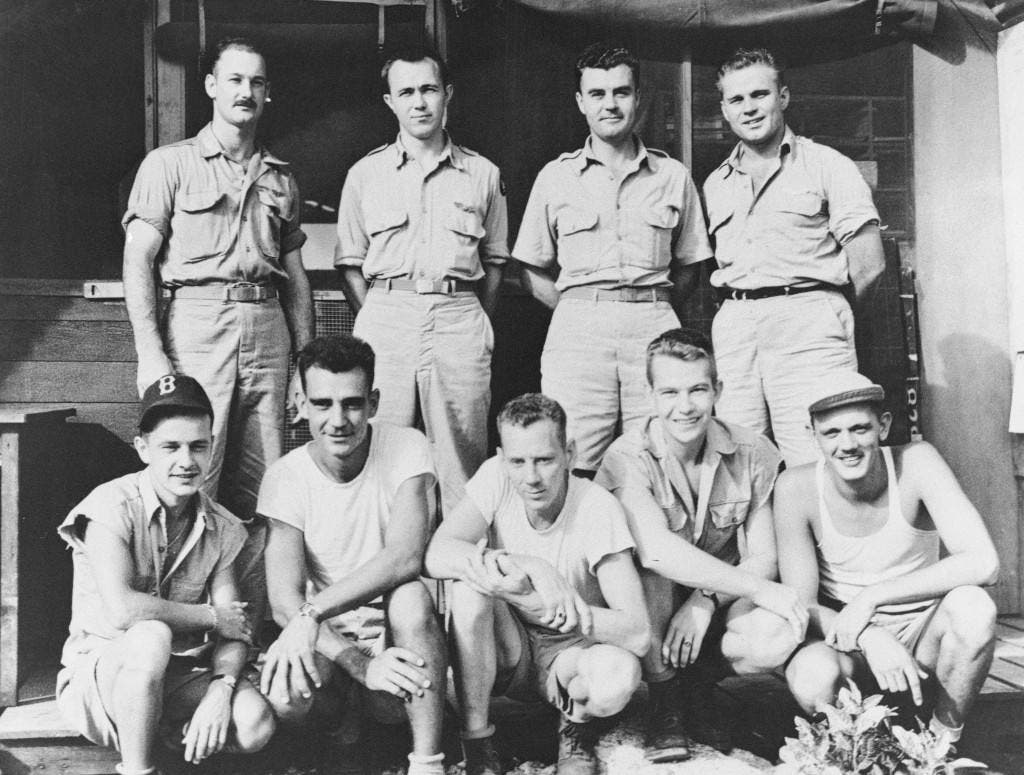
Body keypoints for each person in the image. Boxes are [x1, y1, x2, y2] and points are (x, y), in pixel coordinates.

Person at [122, 37, 315, 627]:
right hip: (197, 323)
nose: (245, 93)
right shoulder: (169, 164)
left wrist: (305, 366)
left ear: (266, 93)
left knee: (270, 485)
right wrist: (151, 353)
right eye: (233, 80)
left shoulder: (281, 178)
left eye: (256, 83)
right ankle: (183, 631)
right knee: (190, 477)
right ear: (211, 86)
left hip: (268, 328)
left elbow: (297, 280)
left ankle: (255, 631)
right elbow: (139, 261)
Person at [595, 328, 808, 761]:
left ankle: (696, 685)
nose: (685, 406)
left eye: (698, 389)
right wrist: (708, 595)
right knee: (651, 574)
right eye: (670, 391)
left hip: (718, 606)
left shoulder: (753, 451)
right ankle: (665, 697)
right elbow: (655, 550)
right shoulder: (627, 456)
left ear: (718, 391)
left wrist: (706, 598)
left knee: (773, 633)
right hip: (650, 612)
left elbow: (764, 555)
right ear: (650, 395)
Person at [55, 375, 275, 775]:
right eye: (170, 447)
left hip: (174, 674)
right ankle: (138, 769)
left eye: (198, 446)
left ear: (212, 448)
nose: (186, 461)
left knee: (254, 722)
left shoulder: (222, 527)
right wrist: (209, 616)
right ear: (143, 448)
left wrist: (221, 689)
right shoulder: (111, 505)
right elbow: (123, 611)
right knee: (151, 634)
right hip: (102, 677)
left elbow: (236, 629)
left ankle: (168, 736)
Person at [512, 42, 712, 477]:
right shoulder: (556, 177)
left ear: (638, 99)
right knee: (573, 454)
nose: (611, 104)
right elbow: (529, 267)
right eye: (598, 94)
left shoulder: (672, 176)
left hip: (653, 321)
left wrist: (658, 308)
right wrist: (574, 306)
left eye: (621, 92)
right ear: (581, 102)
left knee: (662, 451)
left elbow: (692, 263)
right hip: (578, 330)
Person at [425, 393, 649, 775]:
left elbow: (638, 633)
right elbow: (436, 554)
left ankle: (575, 729)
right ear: (502, 458)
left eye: (545, 460)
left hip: (569, 652)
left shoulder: (596, 506)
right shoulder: (496, 477)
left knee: (618, 675)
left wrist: (550, 606)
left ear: (569, 454)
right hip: (507, 646)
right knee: (468, 584)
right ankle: (478, 741)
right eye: (518, 462)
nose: (531, 477)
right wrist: (532, 565)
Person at [257, 334, 448, 775]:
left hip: (396, 645)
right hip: (329, 644)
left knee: (412, 598)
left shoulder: (406, 446)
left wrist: (310, 613)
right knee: (286, 695)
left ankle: (427, 762)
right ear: (301, 404)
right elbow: (285, 601)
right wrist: (356, 663)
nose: (338, 420)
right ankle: (341, 733)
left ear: (374, 402)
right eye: (322, 404)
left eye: (352, 404)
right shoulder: (285, 477)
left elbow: (405, 557)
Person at [775, 372, 999, 745]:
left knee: (975, 608)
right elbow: (804, 605)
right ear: (812, 434)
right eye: (831, 433)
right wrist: (868, 633)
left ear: (884, 425)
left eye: (860, 428)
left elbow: (984, 562)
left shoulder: (917, 460)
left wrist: (872, 597)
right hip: (847, 640)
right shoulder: (795, 487)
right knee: (811, 675)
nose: (847, 444)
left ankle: (939, 744)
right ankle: (857, 747)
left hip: (921, 638)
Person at [335, 45, 508, 513]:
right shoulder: (365, 174)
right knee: (379, 448)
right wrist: (374, 312)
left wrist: (478, 320)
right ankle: (383, 571)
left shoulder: (482, 173)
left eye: (429, 89)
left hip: (459, 315)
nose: (419, 102)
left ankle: (457, 567)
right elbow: (350, 261)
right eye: (406, 92)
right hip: (387, 316)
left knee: (463, 455)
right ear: (389, 101)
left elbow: (495, 262)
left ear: (447, 94)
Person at [698, 47, 885, 466]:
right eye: (737, 100)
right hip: (737, 329)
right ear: (725, 111)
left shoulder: (827, 165)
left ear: (782, 97)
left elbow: (870, 266)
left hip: (809, 324)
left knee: (815, 459)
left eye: (759, 95)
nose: (749, 108)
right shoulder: (715, 183)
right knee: (739, 460)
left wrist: (827, 312)